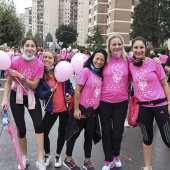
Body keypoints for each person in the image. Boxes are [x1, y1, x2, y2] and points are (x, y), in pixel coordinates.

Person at [0, 37, 46, 170]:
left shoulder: (39, 64)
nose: (30, 48)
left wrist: (21, 76)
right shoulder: (14, 61)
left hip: (31, 94)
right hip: (16, 95)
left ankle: (40, 160)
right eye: (27, 45)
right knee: (21, 129)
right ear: (22, 47)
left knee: (39, 125)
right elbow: (8, 82)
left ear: (36, 48)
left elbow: (34, 85)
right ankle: (24, 157)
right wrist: (4, 100)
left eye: (32, 46)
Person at [129, 36, 170, 170]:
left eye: (141, 47)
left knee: (168, 139)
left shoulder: (155, 63)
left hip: (160, 105)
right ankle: (148, 167)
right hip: (144, 107)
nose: (139, 50)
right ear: (132, 49)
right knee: (147, 139)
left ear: (146, 48)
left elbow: (165, 84)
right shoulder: (131, 65)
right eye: (136, 47)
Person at [63, 48, 107, 170]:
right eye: (97, 58)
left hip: (92, 113)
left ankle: (87, 161)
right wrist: (76, 109)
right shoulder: (85, 71)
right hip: (80, 111)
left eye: (102, 60)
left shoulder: (100, 74)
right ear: (92, 58)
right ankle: (68, 159)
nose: (99, 61)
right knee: (73, 136)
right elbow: (77, 91)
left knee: (88, 138)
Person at [36, 51, 74, 168]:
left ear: (55, 60)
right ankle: (48, 154)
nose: (47, 59)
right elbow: (41, 94)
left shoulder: (61, 73)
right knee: (43, 132)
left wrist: (69, 94)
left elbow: (70, 88)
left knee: (62, 133)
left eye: (50, 58)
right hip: (51, 110)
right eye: (45, 57)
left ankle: (58, 155)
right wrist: (49, 91)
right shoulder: (41, 76)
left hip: (64, 110)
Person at [99, 34, 130, 170]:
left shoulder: (128, 61)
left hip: (121, 102)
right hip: (104, 102)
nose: (117, 47)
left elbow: (143, 67)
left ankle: (116, 155)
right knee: (106, 132)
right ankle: (108, 159)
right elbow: (90, 69)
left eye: (119, 44)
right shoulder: (104, 61)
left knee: (118, 132)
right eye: (114, 44)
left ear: (122, 45)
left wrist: (156, 61)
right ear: (109, 46)